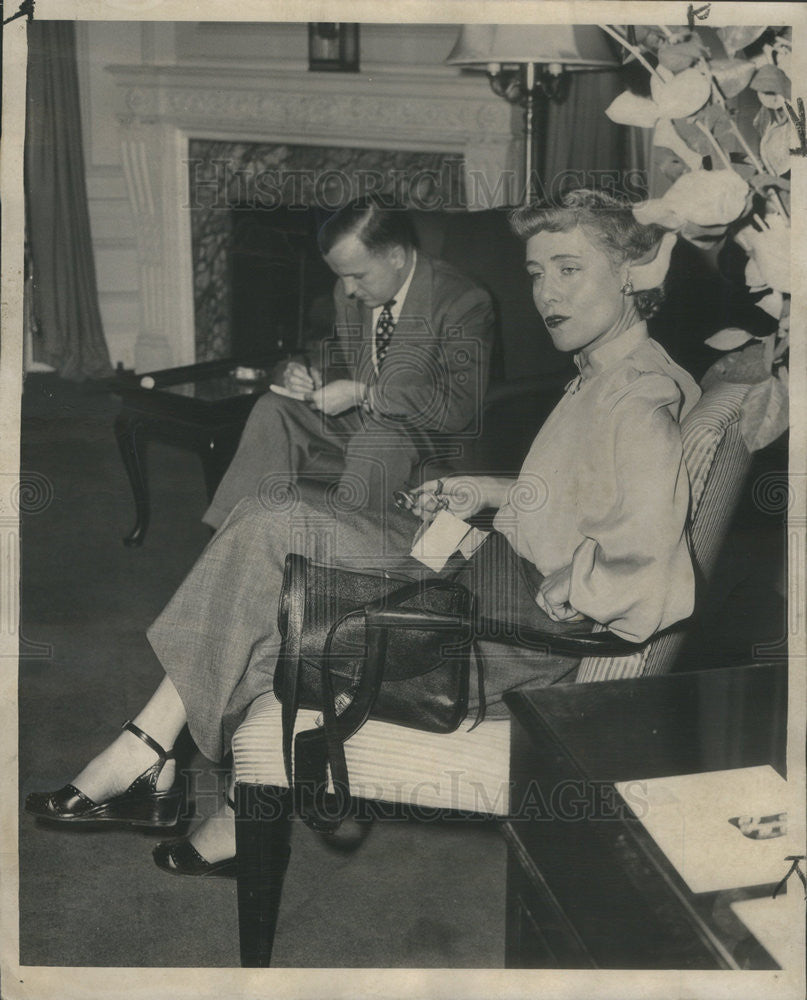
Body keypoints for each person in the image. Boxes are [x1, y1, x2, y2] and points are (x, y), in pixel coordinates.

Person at [26, 189, 700, 878]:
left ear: (631, 273)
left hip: (510, 625)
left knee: (272, 525)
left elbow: (650, 582)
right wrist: (497, 493)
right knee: (276, 539)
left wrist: (559, 592)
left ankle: (150, 758)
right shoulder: (609, 372)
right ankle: (206, 791)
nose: (544, 293)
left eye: (567, 269)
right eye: (535, 272)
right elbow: (594, 496)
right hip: (484, 562)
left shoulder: (640, 398)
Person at [202, 195, 495, 528]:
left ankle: (345, 562)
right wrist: (305, 372)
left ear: (396, 257)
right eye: (341, 276)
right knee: (273, 408)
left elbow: (460, 406)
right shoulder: (350, 291)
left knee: (377, 441)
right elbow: (342, 354)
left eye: (358, 276)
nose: (348, 290)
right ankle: (228, 536)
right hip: (365, 423)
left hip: (428, 436)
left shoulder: (462, 301)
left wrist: (365, 394)